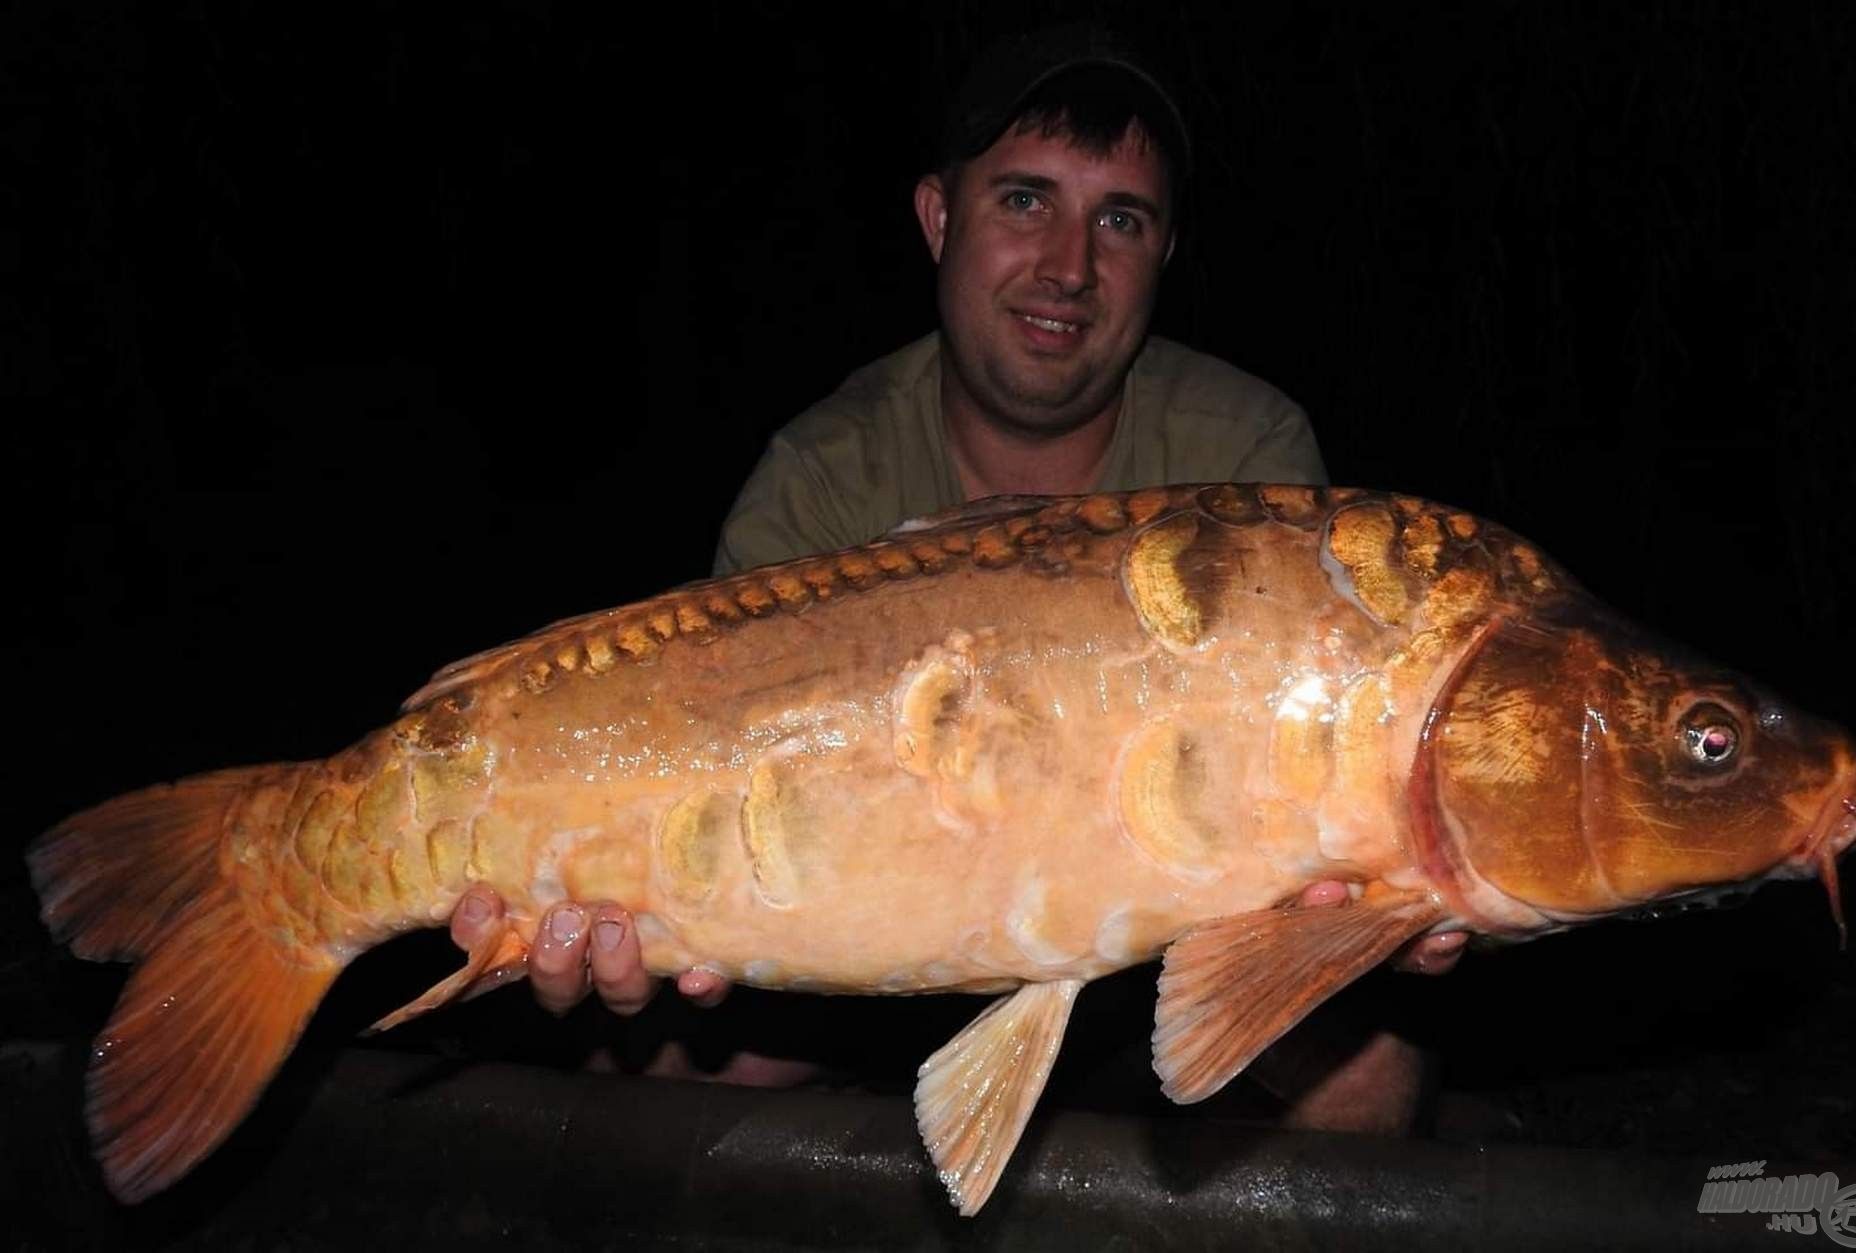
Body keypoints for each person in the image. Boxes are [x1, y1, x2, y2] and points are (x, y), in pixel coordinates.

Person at [452, 24, 1467, 1121]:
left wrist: (1373, 905)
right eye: (1026, 200)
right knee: (634, 1081)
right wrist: (614, 915)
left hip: (1151, 961)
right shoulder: (820, 475)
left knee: (1367, 1074)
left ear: (1164, 256)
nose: (1070, 267)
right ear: (940, 217)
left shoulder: (1251, 461)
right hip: (857, 951)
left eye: (1119, 219)